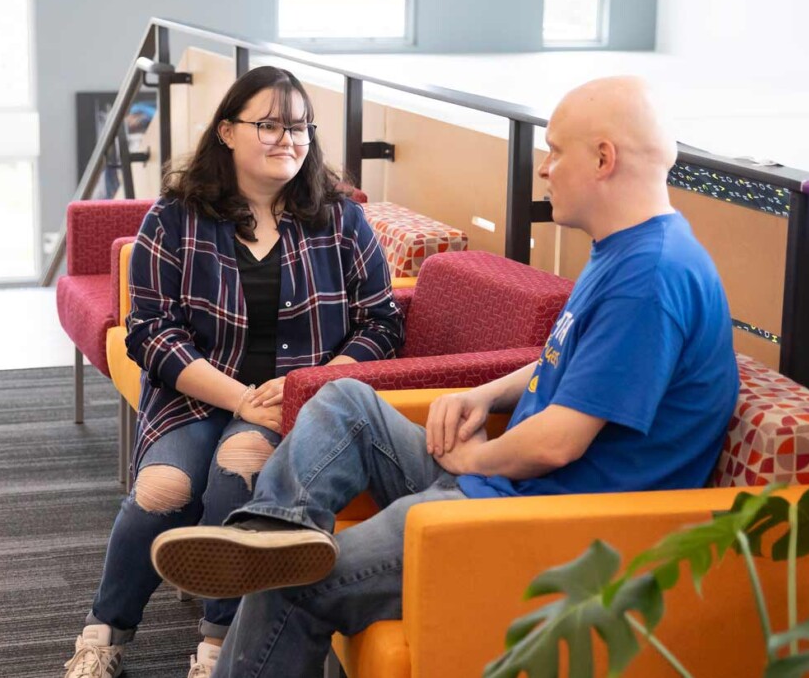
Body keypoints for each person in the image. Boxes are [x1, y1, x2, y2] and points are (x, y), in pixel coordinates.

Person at [150, 76, 741, 677]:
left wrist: (475, 463)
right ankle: (274, 531)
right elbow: (569, 360)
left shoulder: (650, 278)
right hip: (504, 494)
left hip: (541, 527)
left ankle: (278, 560)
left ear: (603, 159)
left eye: (556, 150)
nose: (542, 168)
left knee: (296, 584)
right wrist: (483, 393)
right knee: (346, 400)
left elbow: (559, 442)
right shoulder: (628, 250)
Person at [63, 66, 404, 678]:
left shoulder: (341, 218)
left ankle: (216, 645)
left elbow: (381, 322)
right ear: (226, 131)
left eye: (299, 127)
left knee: (236, 474)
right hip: (197, 394)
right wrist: (237, 397)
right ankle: (104, 631)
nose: (288, 140)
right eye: (268, 125)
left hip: (290, 399)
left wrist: (313, 385)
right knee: (162, 489)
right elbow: (149, 332)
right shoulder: (174, 218)